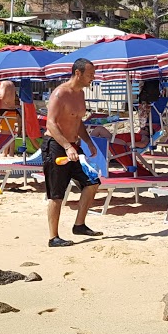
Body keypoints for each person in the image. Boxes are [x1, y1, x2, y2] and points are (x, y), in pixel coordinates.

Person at [43, 57, 102, 247]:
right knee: (57, 193)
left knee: (92, 182)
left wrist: (88, 142)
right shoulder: (60, 93)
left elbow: (77, 122)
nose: (92, 78)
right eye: (90, 74)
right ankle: (53, 237)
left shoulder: (80, 94)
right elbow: (50, 123)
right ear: (78, 73)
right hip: (56, 145)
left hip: (73, 146)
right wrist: (67, 147)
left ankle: (79, 225)